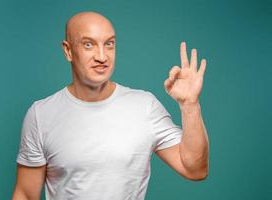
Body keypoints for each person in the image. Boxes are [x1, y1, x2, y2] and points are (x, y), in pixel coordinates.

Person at [12, 11, 209, 200]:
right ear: (68, 50)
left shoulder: (144, 106)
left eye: (109, 44)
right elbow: (25, 195)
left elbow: (195, 169)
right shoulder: (41, 114)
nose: (102, 56)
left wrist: (190, 105)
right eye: (88, 44)